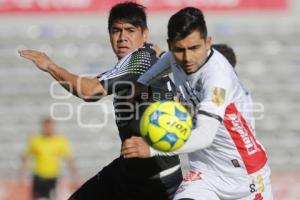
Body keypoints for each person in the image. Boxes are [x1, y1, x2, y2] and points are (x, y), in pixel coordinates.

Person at [19, 2, 182, 200]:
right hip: (129, 171)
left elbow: (89, 91)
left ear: (144, 34)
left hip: (156, 179)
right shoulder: (147, 55)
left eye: (130, 30)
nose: (122, 38)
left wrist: (50, 65)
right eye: (116, 31)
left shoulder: (140, 60)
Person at [122, 7, 273, 200]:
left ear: (208, 42)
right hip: (205, 173)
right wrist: (142, 83)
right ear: (170, 45)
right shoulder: (177, 56)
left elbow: (205, 135)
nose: (187, 58)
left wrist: (151, 149)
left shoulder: (218, 78)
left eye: (194, 48)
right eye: (179, 49)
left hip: (245, 176)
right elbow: (168, 60)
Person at [19, 117, 77, 200]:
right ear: (43, 127)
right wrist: (21, 175)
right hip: (39, 176)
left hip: (53, 177)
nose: (48, 129)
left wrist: (74, 176)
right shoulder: (35, 140)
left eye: (50, 126)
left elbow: (69, 159)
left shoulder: (60, 141)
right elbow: (26, 158)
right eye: (46, 126)